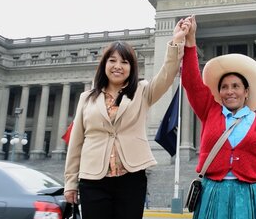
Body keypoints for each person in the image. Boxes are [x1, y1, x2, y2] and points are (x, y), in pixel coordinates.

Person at [63, 17, 191, 219]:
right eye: (112, 60)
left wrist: (175, 42)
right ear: (104, 64)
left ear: (131, 67)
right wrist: (70, 182)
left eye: (124, 61)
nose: (118, 66)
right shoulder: (86, 98)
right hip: (93, 179)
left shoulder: (141, 91)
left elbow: (166, 76)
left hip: (131, 178)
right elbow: (76, 142)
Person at [181, 15, 256, 219]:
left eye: (236, 86)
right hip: (213, 193)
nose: (230, 92)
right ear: (218, 92)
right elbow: (191, 81)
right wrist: (190, 42)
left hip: (251, 195)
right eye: (224, 87)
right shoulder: (210, 111)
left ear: (246, 91)